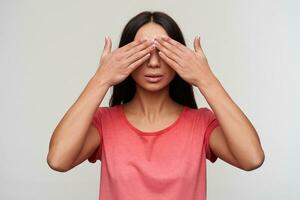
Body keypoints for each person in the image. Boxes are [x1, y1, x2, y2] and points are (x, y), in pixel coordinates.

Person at [47, 11, 265, 200]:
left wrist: (206, 79)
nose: (153, 63)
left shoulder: (201, 124)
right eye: (142, 52)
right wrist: (101, 79)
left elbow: (252, 158)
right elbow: (58, 160)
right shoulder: (104, 123)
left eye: (163, 51)